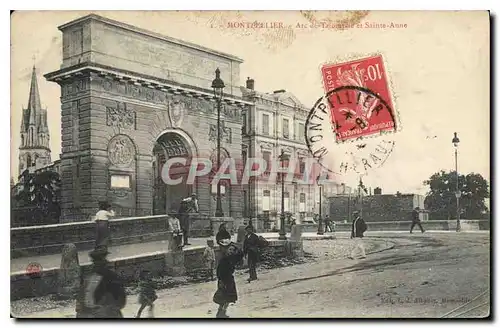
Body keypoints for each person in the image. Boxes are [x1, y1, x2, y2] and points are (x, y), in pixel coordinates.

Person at [77, 246, 126, 318]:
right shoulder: (88, 277)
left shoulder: (112, 278)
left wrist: (106, 308)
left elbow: (120, 301)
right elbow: (82, 299)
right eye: (95, 263)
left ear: (104, 263)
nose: (95, 266)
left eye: (99, 263)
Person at [212, 239, 244, 318]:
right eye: (229, 249)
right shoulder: (224, 259)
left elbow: (240, 253)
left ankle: (221, 312)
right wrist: (221, 281)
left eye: (232, 250)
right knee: (225, 297)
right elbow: (219, 272)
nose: (231, 251)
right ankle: (221, 313)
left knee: (227, 298)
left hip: (229, 279)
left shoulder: (231, 258)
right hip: (224, 280)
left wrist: (233, 245)